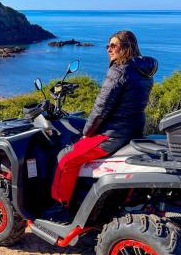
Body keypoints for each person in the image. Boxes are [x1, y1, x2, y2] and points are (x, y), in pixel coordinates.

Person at [49, 30, 158, 213]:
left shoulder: (119, 70)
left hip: (112, 134)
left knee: (65, 158)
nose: (109, 49)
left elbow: (101, 108)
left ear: (127, 47)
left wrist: (86, 133)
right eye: (108, 46)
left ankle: (60, 206)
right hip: (132, 130)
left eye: (114, 45)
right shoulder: (144, 71)